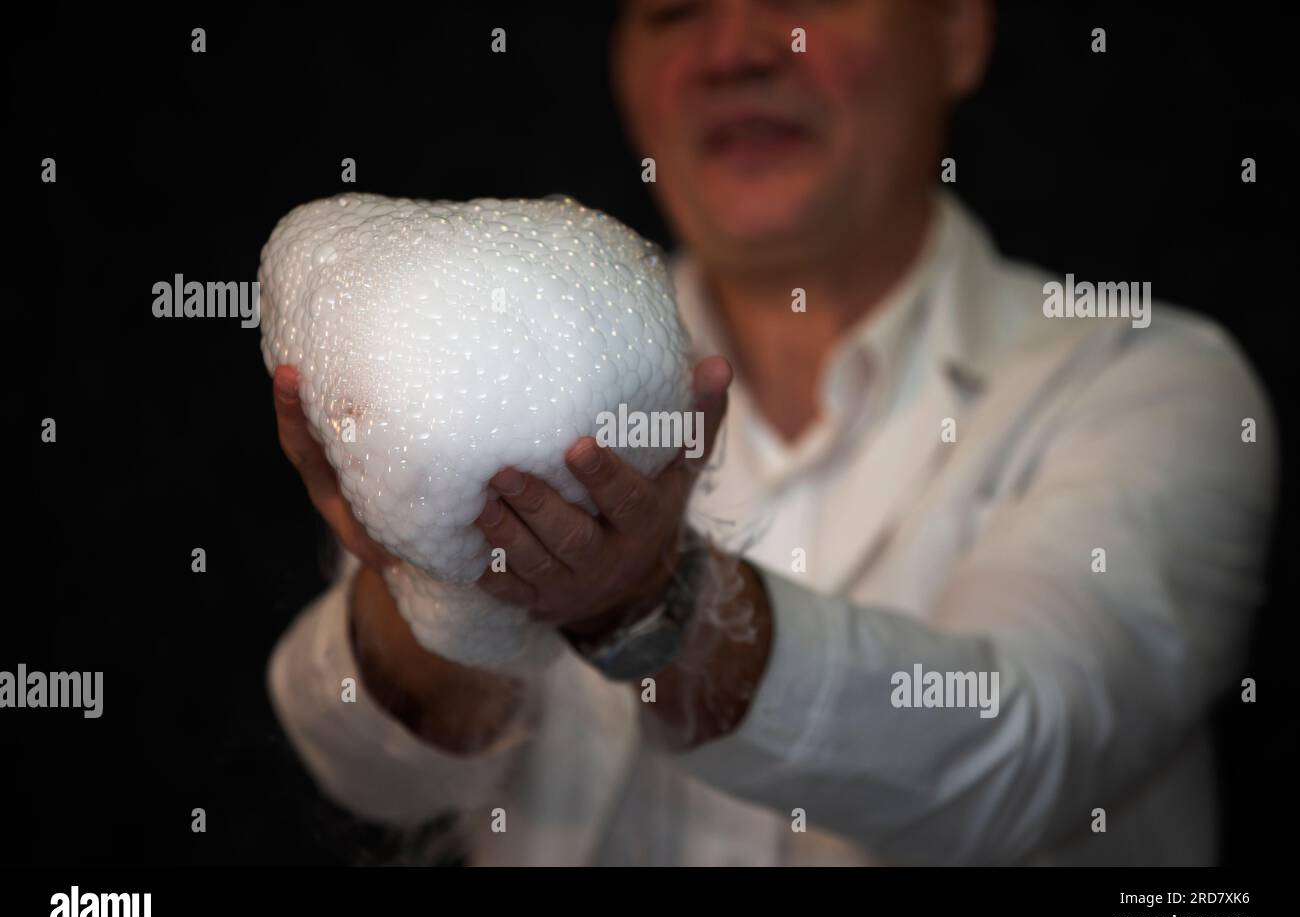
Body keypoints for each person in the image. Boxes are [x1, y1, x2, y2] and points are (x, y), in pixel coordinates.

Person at [266, 0, 1277, 865]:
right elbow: (354, 757)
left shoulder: (1144, 380)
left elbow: (1023, 754)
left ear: (959, 31)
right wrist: (434, 582)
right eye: (673, 11)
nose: (734, 49)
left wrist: (649, 604)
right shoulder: (501, 374)